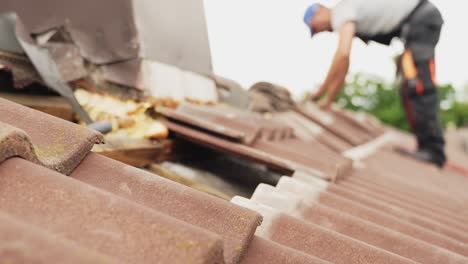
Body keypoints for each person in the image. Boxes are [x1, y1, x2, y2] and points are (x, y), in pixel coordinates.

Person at [304, 0, 446, 167]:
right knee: (409, 87)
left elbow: (343, 55)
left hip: (420, 19)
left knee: (418, 85)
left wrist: (322, 92)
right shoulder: (345, 13)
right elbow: (343, 65)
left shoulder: (340, 12)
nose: (319, 31)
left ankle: (433, 150)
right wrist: (328, 98)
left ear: (319, 12)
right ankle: (427, 146)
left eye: (315, 27)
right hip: (418, 21)